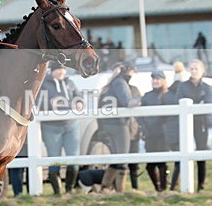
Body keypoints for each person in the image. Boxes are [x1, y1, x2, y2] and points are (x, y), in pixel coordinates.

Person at [79, 60, 139, 192]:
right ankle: (119, 191)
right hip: (119, 125)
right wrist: (141, 100)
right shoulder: (120, 83)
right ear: (128, 70)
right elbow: (128, 102)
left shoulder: (110, 84)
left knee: (116, 158)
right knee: (123, 159)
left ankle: (105, 187)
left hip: (108, 125)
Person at [39, 61, 83, 195]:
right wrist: (50, 103)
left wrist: (80, 102)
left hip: (71, 125)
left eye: (63, 70)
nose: (61, 72)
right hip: (51, 127)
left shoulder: (70, 82)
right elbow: (37, 101)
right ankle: (57, 192)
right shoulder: (43, 84)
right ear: (52, 70)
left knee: (73, 157)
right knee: (54, 158)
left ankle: (69, 190)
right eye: (58, 70)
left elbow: (78, 95)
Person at [176, 59, 212, 192]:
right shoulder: (183, 86)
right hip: (186, 123)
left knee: (201, 153)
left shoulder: (207, 87)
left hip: (201, 123)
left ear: (202, 70)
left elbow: (208, 104)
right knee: (183, 152)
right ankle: (180, 184)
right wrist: (198, 105)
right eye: (191, 69)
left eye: (196, 69)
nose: (193, 71)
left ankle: (201, 185)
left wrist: (196, 107)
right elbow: (179, 101)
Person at [139, 70, 169, 192]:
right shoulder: (147, 96)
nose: (155, 81)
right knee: (150, 165)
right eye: (153, 79)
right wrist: (144, 128)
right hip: (150, 134)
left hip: (162, 134)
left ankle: (163, 188)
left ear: (163, 80)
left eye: (158, 79)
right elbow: (140, 114)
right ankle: (157, 187)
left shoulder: (167, 95)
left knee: (162, 163)